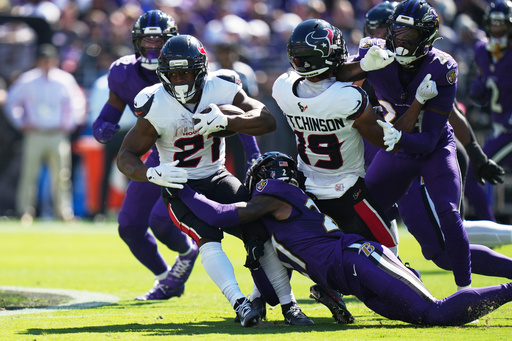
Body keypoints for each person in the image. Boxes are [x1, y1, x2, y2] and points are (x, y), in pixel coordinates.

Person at [171, 151, 512, 326]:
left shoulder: (276, 193)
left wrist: (181, 187)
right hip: (346, 273)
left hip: (356, 257)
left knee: (434, 313)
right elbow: (277, 277)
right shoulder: (277, 216)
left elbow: (219, 215)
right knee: (424, 317)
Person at [116, 34, 313, 327]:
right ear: (163, 74)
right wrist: (151, 173)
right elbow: (126, 156)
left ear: (201, 70)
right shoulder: (155, 102)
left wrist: (230, 121)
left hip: (217, 176)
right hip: (180, 185)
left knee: (259, 231)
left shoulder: (220, 88)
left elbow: (267, 120)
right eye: (173, 74)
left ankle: (290, 305)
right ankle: (240, 303)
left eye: (185, 72)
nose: (180, 80)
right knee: (209, 238)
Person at [91, 10, 199, 301]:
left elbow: (229, 105)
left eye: (158, 41)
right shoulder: (123, 71)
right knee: (129, 225)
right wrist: (104, 123)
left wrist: (250, 151)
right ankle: (167, 279)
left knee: (162, 222)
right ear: (136, 42)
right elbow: (113, 107)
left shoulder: (188, 63)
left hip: (193, 152)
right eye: (146, 41)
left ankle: (190, 251)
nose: (152, 47)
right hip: (155, 154)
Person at [272, 18, 399, 255]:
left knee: (320, 252)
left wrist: (362, 66)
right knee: (390, 255)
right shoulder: (348, 97)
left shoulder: (282, 87)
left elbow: (321, 77)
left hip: (308, 188)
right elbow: (382, 140)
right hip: (348, 192)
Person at [5, 43, 86, 224]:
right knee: (29, 174)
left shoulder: (64, 79)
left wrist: (70, 124)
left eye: (50, 60)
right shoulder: (28, 79)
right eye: (44, 60)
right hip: (35, 133)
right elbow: (12, 102)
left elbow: (77, 102)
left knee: (62, 176)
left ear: (55, 61)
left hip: (57, 134)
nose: (47, 63)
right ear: (38, 61)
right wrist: (21, 123)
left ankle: (64, 212)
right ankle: (25, 212)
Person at [465, 0, 512, 222]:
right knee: (474, 171)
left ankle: (491, 228)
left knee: (475, 170)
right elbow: (479, 93)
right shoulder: (482, 51)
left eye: (501, 25)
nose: (496, 30)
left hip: (509, 128)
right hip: (499, 127)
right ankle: (490, 228)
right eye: (493, 25)